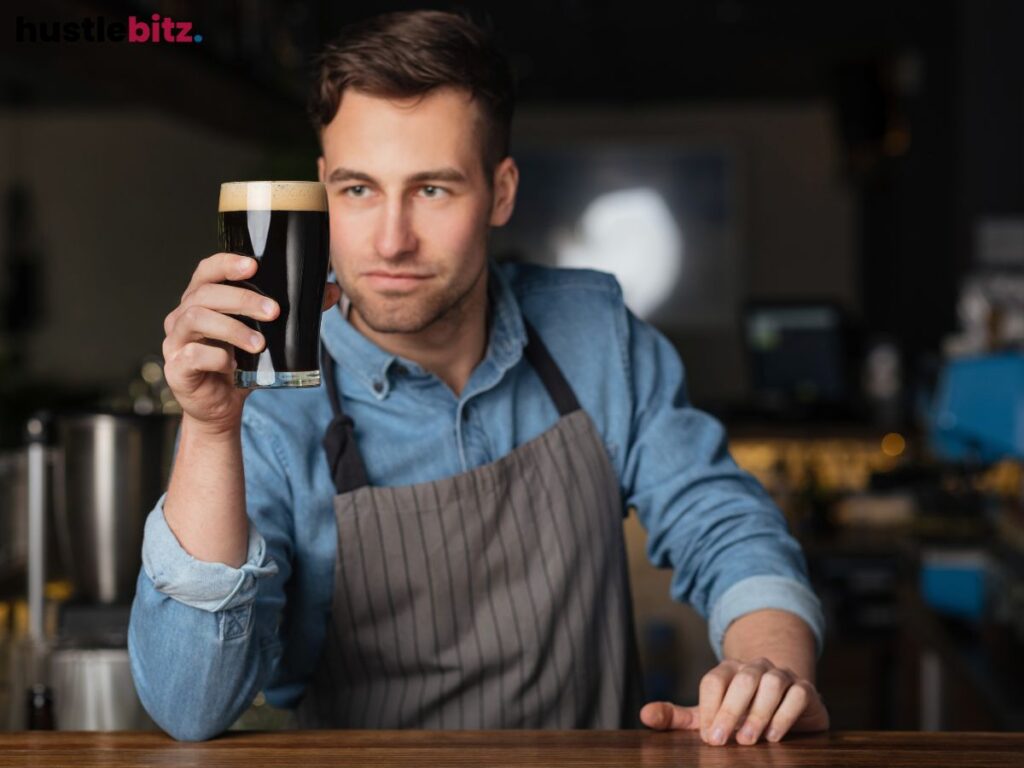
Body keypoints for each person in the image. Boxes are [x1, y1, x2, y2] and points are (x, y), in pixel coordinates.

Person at [128, 9, 828, 744]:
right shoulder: (271, 407)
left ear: (501, 191)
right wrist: (210, 430)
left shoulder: (593, 335)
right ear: (323, 187)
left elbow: (725, 525)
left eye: (433, 189)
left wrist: (769, 669)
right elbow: (189, 707)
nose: (391, 241)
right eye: (359, 190)